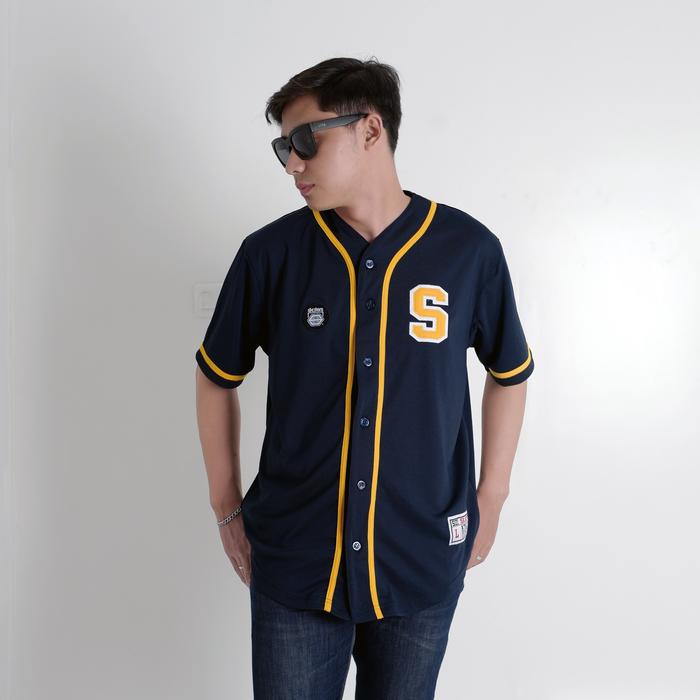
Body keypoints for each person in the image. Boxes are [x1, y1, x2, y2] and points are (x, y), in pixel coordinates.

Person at [195, 56, 534, 700]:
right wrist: (225, 506)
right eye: (283, 148)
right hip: (298, 560)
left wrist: (492, 495)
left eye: (305, 140)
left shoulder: (468, 250)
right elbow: (216, 375)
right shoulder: (271, 254)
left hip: (421, 556)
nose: (292, 164)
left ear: (370, 129)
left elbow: (510, 372)